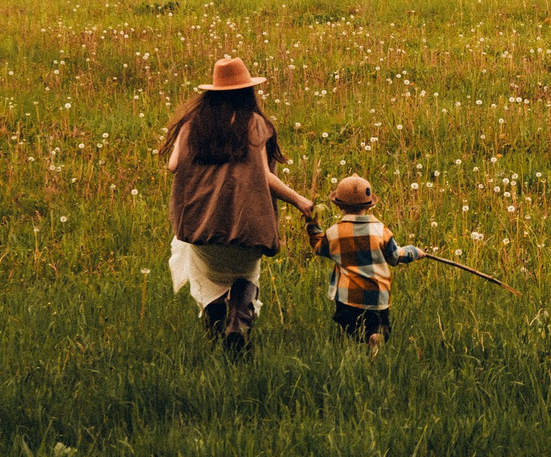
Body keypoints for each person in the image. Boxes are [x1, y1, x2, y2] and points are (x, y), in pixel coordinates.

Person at [161, 56, 315, 344]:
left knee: (206, 274)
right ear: (248, 92)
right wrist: (299, 200)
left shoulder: (192, 124)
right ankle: (239, 319)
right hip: (246, 229)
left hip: (201, 230)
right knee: (246, 276)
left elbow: (172, 165)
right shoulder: (255, 124)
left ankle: (215, 312)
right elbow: (265, 176)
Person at [304, 175, 423, 353]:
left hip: (348, 296)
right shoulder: (380, 230)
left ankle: (351, 350)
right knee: (379, 324)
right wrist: (414, 252)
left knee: (348, 329)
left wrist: (312, 224)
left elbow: (319, 248)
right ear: (369, 206)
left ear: (339, 205)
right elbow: (394, 257)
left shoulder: (334, 233)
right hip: (377, 295)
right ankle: (376, 336)